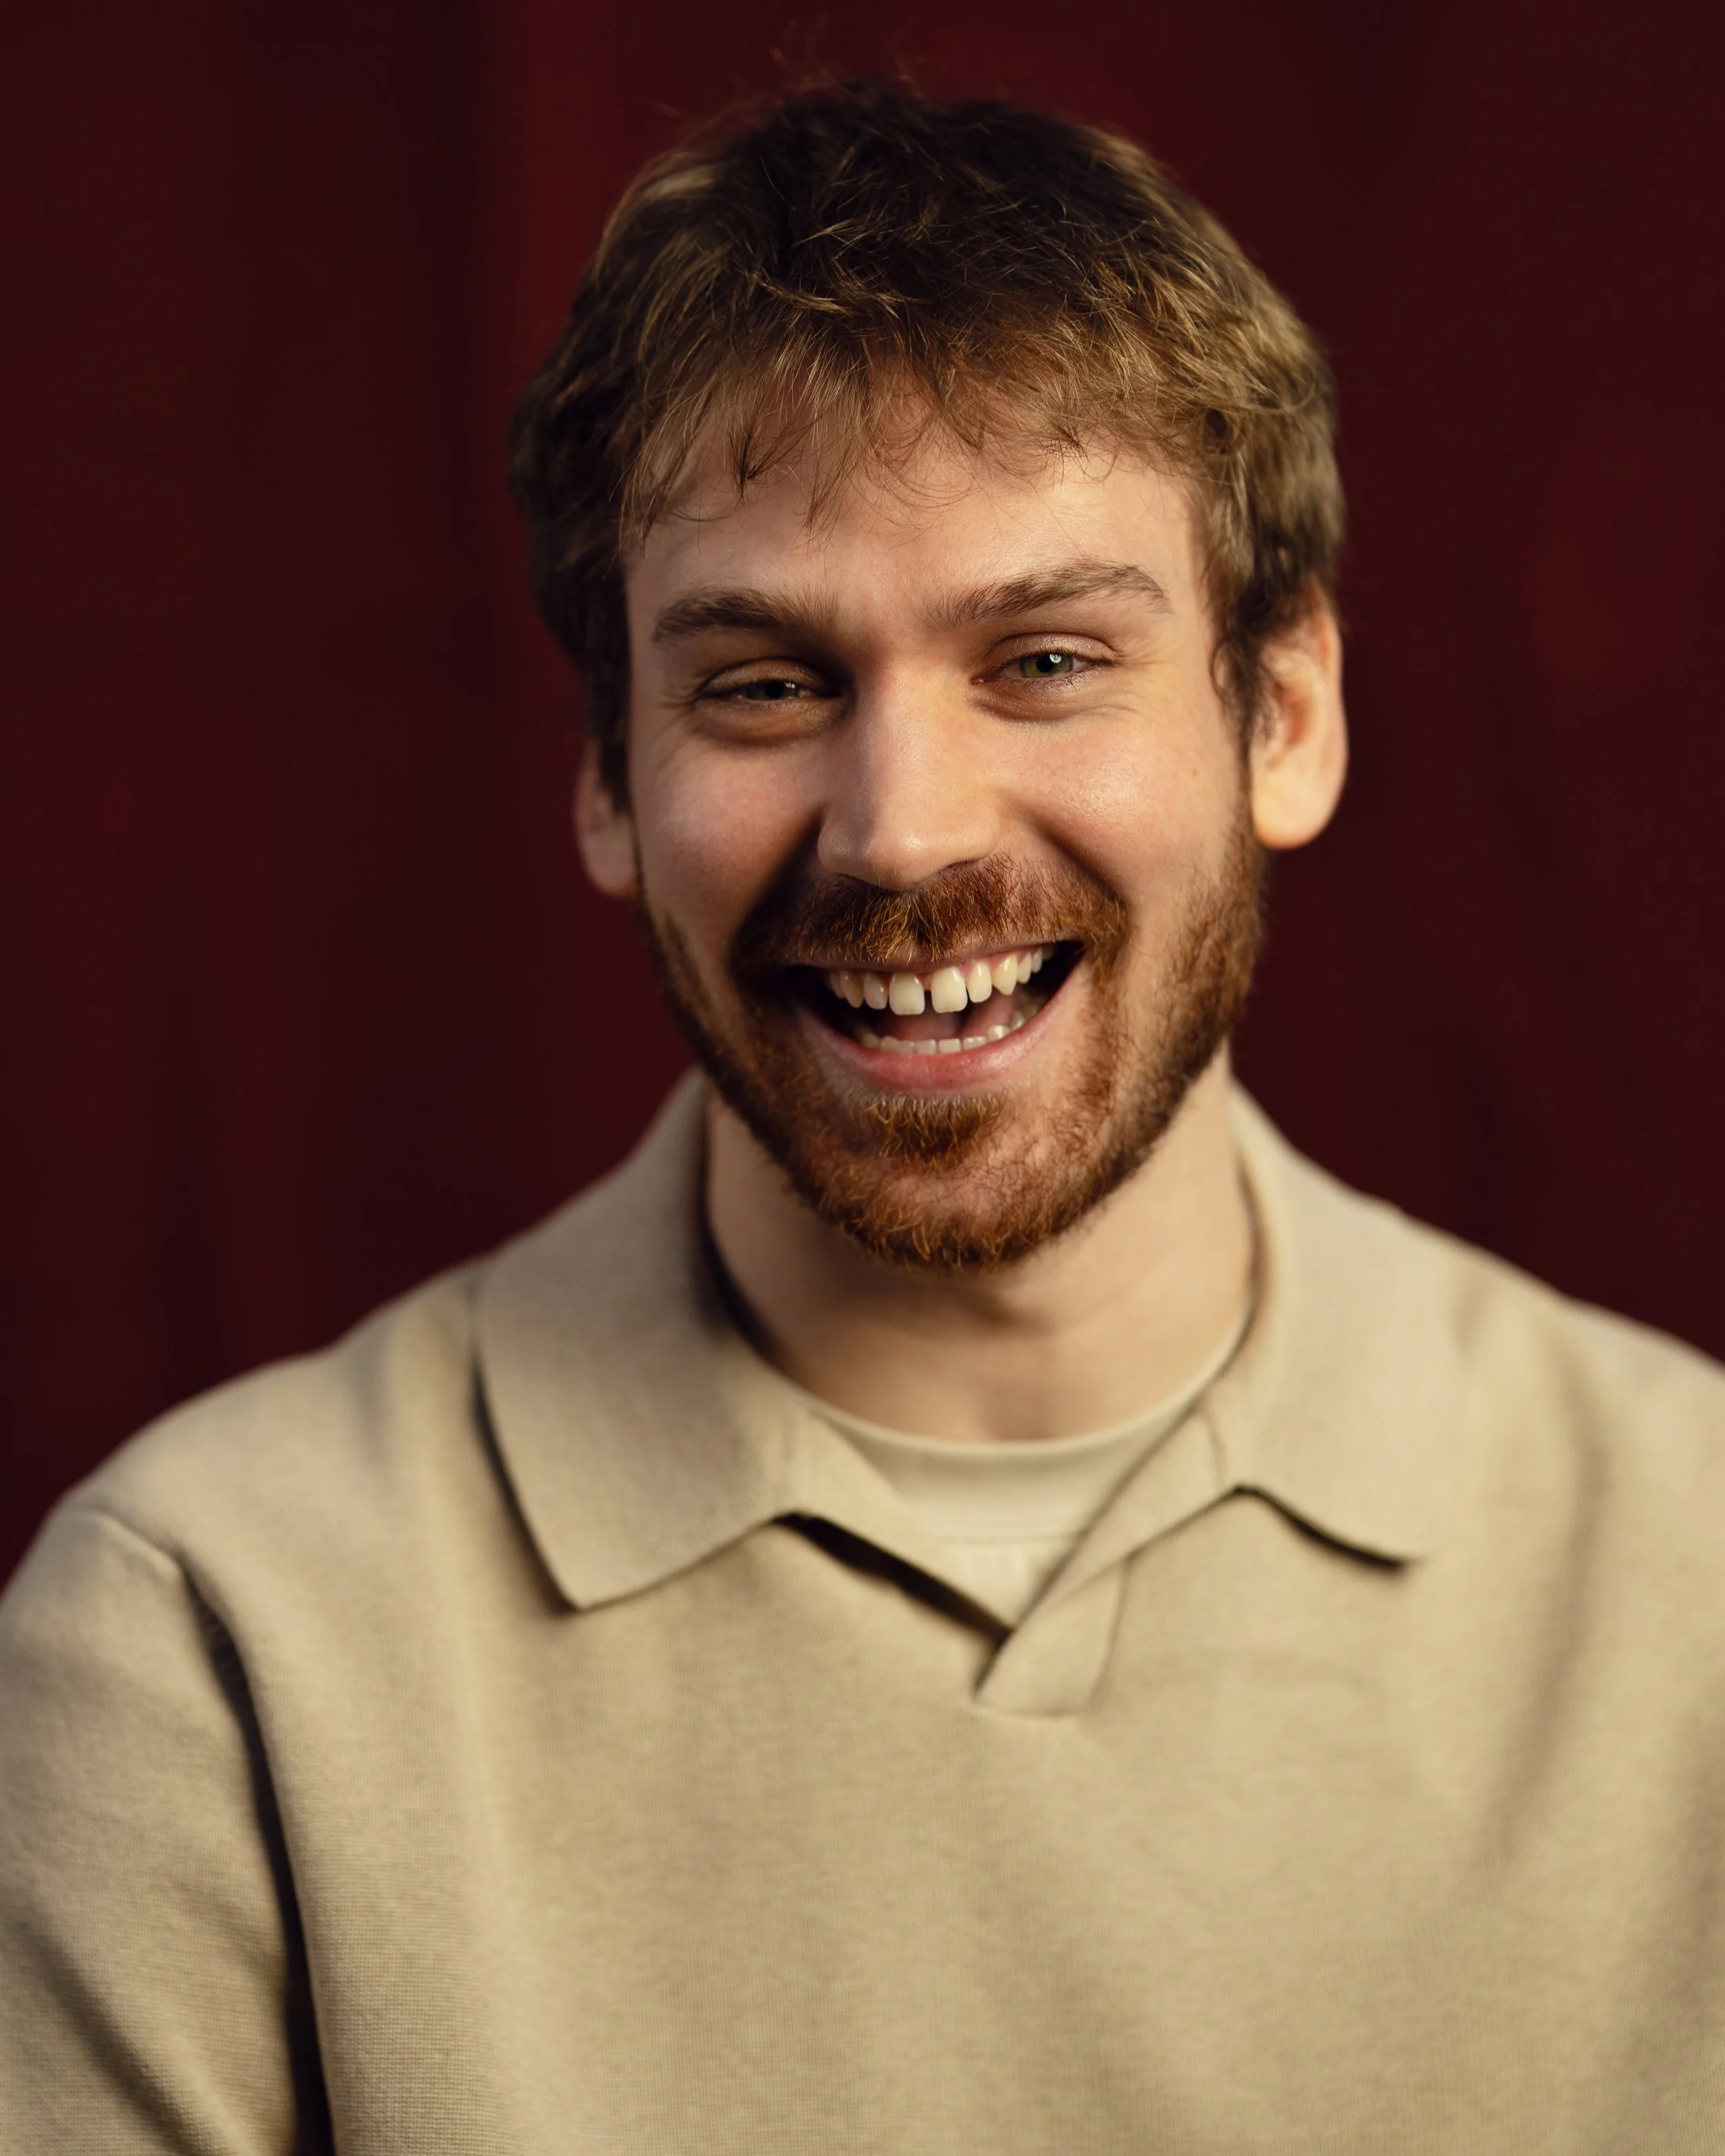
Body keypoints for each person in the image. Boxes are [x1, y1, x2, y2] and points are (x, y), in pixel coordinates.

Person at [3, 76, 1722, 2156]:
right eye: (761, 683)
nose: (902, 836)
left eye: (1047, 657)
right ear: (608, 787)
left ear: (1282, 716)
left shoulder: (1692, 1571)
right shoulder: (202, 1645)